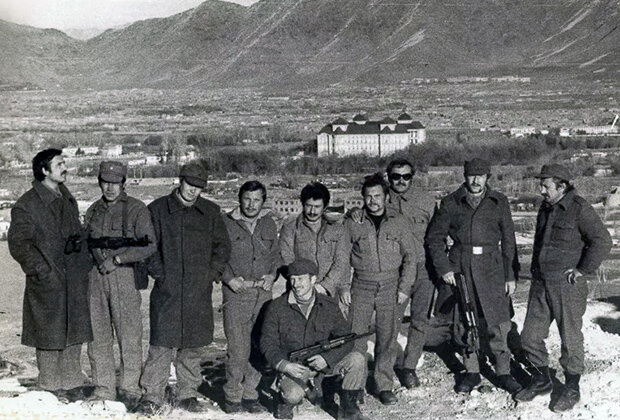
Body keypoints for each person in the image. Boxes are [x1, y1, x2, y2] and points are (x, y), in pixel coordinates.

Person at [136, 161, 231, 414]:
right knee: (161, 344)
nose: (193, 191)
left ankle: (187, 393)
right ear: (180, 181)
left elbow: (222, 247)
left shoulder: (210, 212)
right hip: (167, 290)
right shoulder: (157, 210)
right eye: (190, 184)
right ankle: (152, 396)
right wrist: (160, 274)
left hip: (198, 290)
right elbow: (148, 246)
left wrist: (212, 273)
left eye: (199, 187)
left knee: (193, 344)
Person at [515, 164, 612, 412]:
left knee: (570, 337)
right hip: (541, 284)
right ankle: (542, 379)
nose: (541, 190)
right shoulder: (545, 208)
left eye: (545, 186)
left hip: (567, 285)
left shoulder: (579, 209)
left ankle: (571, 387)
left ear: (562, 185)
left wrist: (582, 270)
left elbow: (603, 241)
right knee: (529, 337)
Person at [425, 158, 521, 394]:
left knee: (498, 323)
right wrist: (445, 269)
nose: (476, 181)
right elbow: (434, 239)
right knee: (465, 322)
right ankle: (472, 371)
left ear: (488, 177)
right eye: (471, 176)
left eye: (480, 176)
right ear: (464, 176)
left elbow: (509, 241)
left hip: (492, 269)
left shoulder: (499, 202)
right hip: (461, 268)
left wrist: (511, 276)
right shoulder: (450, 203)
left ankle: (503, 372)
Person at [8, 148, 92, 400]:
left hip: (73, 279)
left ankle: (72, 383)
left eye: (64, 162)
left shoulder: (67, 198)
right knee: (49, 335)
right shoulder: (27, 204)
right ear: (44, 170)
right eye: (59, 164)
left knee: (73, 333)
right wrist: (42, 271)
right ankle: (50, 389)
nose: (65, 167)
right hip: (48, 282)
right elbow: (19, 245)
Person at [349, 158, 435, 388]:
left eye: (406, 176)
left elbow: (437, 233)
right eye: (396, 176)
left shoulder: (426, 200)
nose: (401, 181)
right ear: (389, 177)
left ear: (412, 177)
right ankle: (381, 371)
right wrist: (355, 211)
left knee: (419, 320)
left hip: (424, 268)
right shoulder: (382, 198)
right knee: (391, 324)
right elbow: (366, 214)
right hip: (395, 272)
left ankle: (409, 367)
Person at [343, 173, 421, 405]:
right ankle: (354, 385)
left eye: (377, 196)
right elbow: (342, 256)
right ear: (363, 199)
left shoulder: (399, 222)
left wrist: (404, 288)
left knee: (387, 338)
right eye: (368, 197)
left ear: (386, 197)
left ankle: (383, 384)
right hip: (362, 284)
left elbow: (411, 258)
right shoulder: (353, 222)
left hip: (390, 285)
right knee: (356, 336)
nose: (373, 200)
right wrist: (344, 286)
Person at [84, 161, 156, 407]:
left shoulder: (137, 209)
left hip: (124, 276)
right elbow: (88, 241)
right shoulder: (93, 210)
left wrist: (117, 259)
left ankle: (130, 390)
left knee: (129, 336)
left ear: (124, 183)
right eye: (105, 182)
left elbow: (149, 245)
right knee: (98, 336)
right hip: (96, 277)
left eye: (115, 183)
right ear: (100, 183)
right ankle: (103, 388)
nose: (110, 188)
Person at [260, 259, 368, 420]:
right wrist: (285, 366)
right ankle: (284, 401)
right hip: (295, 367)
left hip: (323, 364)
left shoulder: (329, 305)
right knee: (292, 394)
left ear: (313, 279)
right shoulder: (277, 307)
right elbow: (267, 343)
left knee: (357, 359)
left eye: (301, 279)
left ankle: (349, 406)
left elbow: (346, 338)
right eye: (292, 279)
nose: (296, 284)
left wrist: (327, 359)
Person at [220, 180, 280, 414]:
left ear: (263, 202)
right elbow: (217, 255)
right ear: (239, 199)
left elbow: (276, 255)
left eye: (256, 200)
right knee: (238, 347)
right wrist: (228, 278)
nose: (251, 204)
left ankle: (250, 394)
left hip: (263, 293)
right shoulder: (226, 223)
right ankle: (232, 395)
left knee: (258, 345)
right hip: (237, 292)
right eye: (247, 198)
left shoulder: (268, 223)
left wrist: (273, 275)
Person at [279, 182, 350, 299]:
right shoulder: (290, 227)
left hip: (330, 292)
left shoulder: (337, 229)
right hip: (299, 292)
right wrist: (304, 285)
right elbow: (286, 259)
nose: (312, 211)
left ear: (325, 206)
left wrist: (324, 286)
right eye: (308, 205)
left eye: (317, 207)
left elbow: (341, 262)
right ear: (302, 204)